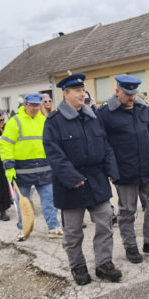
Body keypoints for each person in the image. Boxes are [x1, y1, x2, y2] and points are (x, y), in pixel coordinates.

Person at [43, 73, 122, 285]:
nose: (82, 94)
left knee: (105, 223)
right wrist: (72, 177)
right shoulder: (54, 122)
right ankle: (78, 266)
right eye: (78, 91)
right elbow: (54, 154)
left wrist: (112, 171)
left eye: (83, 90)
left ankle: (104, 264)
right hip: (71, 185)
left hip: (96, 180)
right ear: (65, 94)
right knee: (73, 232)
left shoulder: (92, 117)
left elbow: (105, 146)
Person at [98, 75, 149, 263]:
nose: (131, 98)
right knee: (127, 211)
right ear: (117, 91)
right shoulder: (105, 114)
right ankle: (130, 246)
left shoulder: (143, 109)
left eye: (134, 94)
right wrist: (111, 169)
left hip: (148, 168)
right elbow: (103, 143)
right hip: (124, 171)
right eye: (127, 94)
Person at [1, 93, 62, 240]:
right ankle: (24, 229)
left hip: (44, 167)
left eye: (37, 105)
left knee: (49, 200)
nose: (34, 108)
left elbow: (52, 143)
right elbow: (6, 144)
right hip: (22, 169)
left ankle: (54, 227)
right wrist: (9, 165)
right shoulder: (15, 121)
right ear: (25, 105)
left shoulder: (44, 120)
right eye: (31, 105)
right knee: (23, 203)